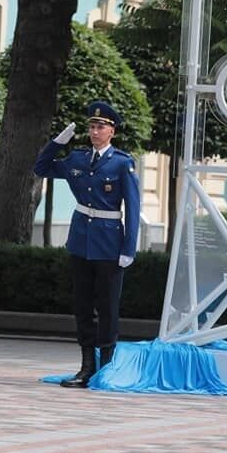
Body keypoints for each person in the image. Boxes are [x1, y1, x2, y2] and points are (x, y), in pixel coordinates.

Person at [34, 101, 141, 388]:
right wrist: (57, 143)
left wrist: (129, 248)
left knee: (106, 306)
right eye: (92, 126)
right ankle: (86, 367)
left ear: (112, 132)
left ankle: (105, 368)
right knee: (83, 306)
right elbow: (41, 168)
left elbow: (132, 206)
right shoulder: (77, 159)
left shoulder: (122, 162)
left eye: (101, 127)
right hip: (81, 240)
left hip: (109, 243)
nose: (95, 131)